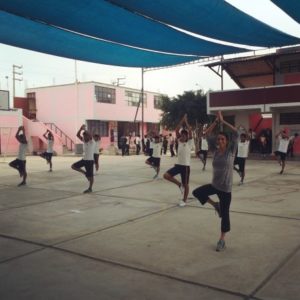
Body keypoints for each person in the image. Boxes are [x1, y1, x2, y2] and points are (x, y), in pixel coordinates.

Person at [192, 111, 238, 252]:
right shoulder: (215, 151)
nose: (220, 141)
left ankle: (222, 240)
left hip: (226, 189)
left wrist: (223, 122)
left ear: (227, 141)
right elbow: (205, 134)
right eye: (218, 140)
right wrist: (216, 122)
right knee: (197, 192)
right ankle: (215, 205)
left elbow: (236, 132)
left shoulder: (231, 151)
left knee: (225, 215)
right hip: (215, 185)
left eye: (222, 139)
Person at [163, 114, 193, 207]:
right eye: (182, 134)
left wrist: (186, 122)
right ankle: (179, 185)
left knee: (186, 184)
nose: (183, 136)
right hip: (178, 165)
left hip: (186, 167)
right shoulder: (179, 142)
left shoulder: (189, 142)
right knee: (166, 175)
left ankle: (184, 200)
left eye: (185, 135)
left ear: (187, 136)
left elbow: (190, 131)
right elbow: (176, 130)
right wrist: (182, 120)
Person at [71, 125, 95, 193]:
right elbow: (77, 135)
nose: (84, 137)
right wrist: (80, 129)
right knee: (73, 166)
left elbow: (90, 135)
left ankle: (90, 188)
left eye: (85, 136)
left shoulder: (92, 142)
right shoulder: (84, 141)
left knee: (90, 176)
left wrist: (85, 130)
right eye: (84, 136)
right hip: (84, 160)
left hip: (90, 161)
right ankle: (84, 173)